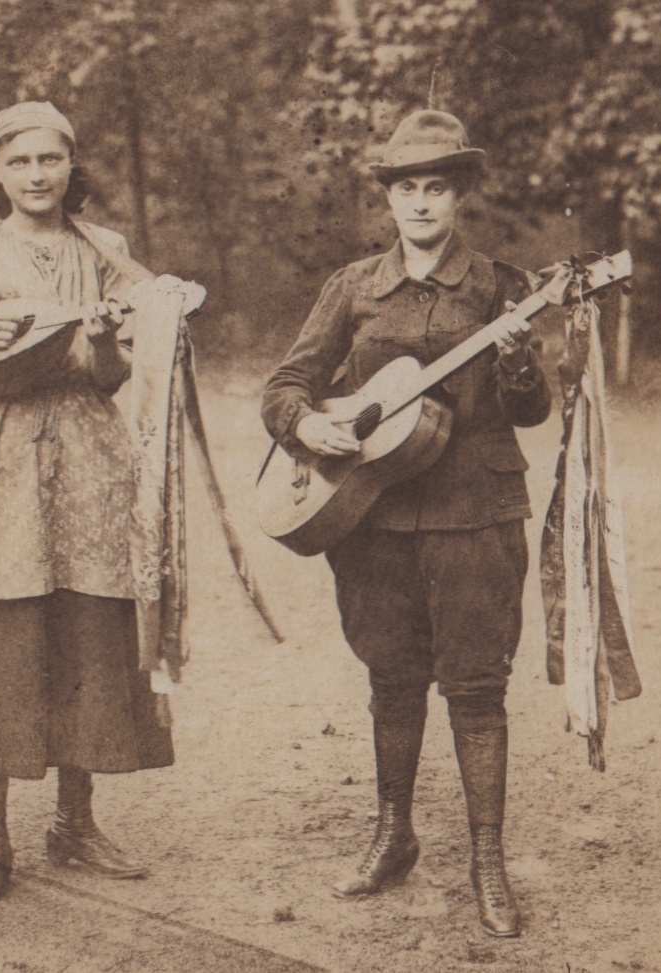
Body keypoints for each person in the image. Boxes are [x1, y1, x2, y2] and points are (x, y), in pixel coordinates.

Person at [261, 110, 552, 937]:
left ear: (459, 195)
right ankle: (393, 835)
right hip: (370, 517)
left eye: (436, 187)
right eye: (405, 188)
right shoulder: (351, 286)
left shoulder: (502, 285)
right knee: (390, 678)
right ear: (387, 199)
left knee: (475, 685)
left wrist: (520, 361)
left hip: (474, 515)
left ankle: (487, 863)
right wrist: (303, 424)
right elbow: (285, 382)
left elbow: (531, 410)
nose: (420, 203)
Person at [0, 102, 173, 907]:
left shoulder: (103, 249)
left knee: (84, 632)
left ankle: (74, 822)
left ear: (70, 165)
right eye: (21, 163)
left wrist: (115, 332)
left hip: (90, 462)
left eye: (51, 160)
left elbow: (117, 371)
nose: (38, 176)